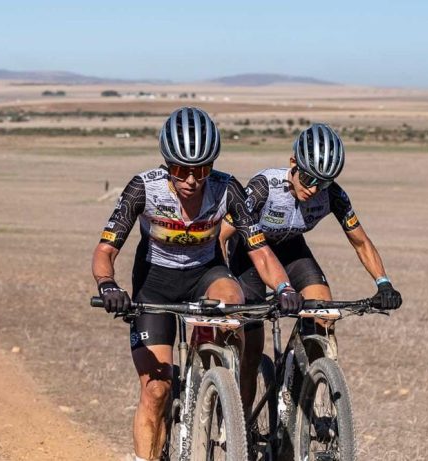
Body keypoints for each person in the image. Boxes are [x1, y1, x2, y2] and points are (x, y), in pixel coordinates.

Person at [91, 107, 303, 461]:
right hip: (154, 283)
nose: (191, 180)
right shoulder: (144, 188)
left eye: (202, 170)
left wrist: (284, 288)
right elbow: (105, 249)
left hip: (206, 273)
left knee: (233, 302)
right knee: (155, 391)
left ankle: (217, 385)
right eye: (181, 170)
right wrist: (107, 285)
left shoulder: (226, 188)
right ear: (167, 164)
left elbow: (260, 251)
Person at [220, 122, 403, 416]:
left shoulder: (333, 195)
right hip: (250, 252)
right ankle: (240, 423)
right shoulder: (265, 186)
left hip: (292, 249)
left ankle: (304, 394)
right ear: (293, 162)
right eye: (308, 178)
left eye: (324, 183)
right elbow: (222, 235)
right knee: (252, 347)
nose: (314, 188)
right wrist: (223, 279)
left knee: (324, 313)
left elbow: (361, 242)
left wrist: (383, 283)